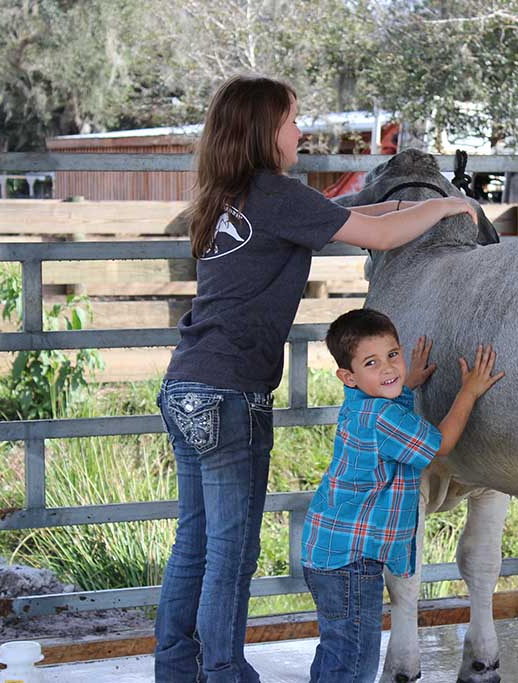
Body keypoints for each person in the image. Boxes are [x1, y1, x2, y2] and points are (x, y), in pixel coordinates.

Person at [153, 74, 479, 683]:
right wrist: (447, 205)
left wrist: (409, 206)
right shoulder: (277, 193)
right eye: (292, 120)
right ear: (263, 131)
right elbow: (376, 234)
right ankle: (223, 673)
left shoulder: (226, 196)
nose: (300, 132)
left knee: (194, 542)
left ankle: (176, 670)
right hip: (230, 395)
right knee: (231, 551)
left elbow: (352, 216)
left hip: (186, 387)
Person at [301, 308, 503, 683]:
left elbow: (388, 405)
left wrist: (406, 383)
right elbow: (441, 444)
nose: (388, 368)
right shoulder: (382, 419)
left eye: (393, 355)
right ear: (347, 376)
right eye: (372, 363)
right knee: (356, 663)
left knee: (338, 653)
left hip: (330, 554)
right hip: (351, 563)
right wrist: (468, 392)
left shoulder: (362, 405)